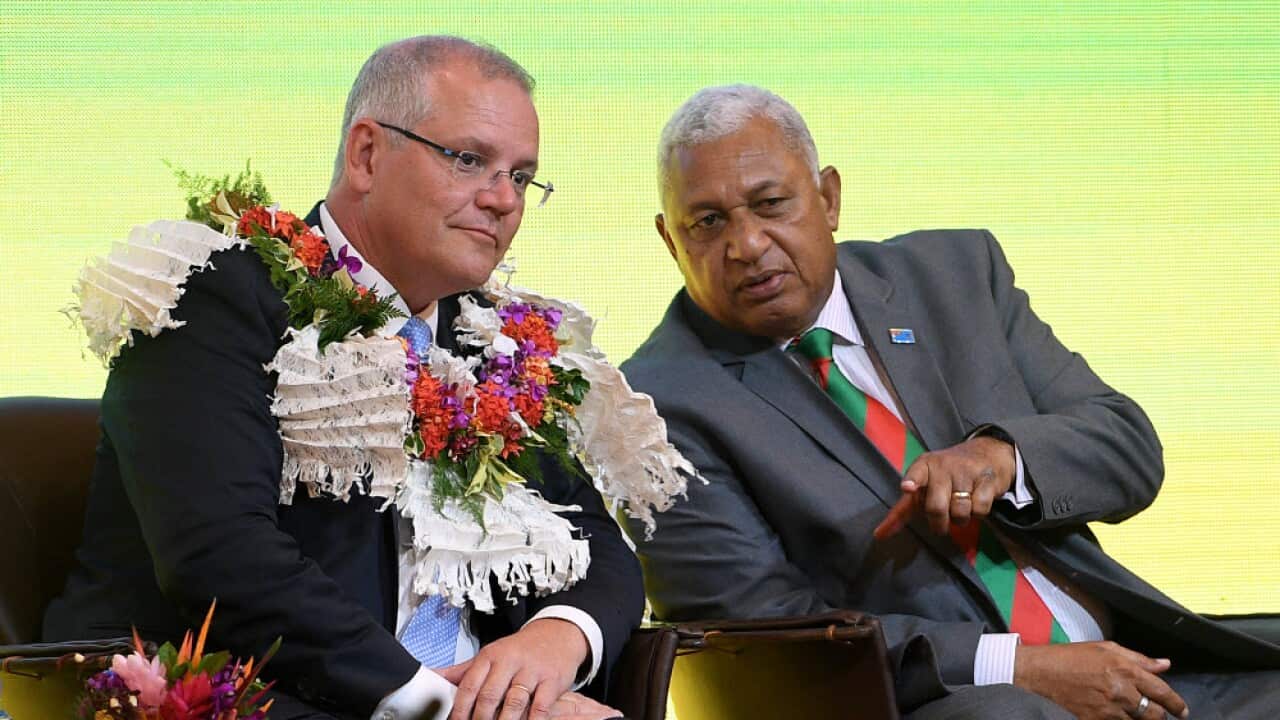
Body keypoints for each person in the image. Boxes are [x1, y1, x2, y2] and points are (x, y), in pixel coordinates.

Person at [620, 84, 1280, 720]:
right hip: (945, 701)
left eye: (770, 204)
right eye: (707, 222)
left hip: (1136, 668)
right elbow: (762, 631)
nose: (746, 245)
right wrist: (1015, 667)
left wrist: (1003, 460)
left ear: (828, 198)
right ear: (670, 241)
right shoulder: (654, 407)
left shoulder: (954, 274)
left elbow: (1128, 450)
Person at [45, 36, 640, 720]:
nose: (504, 199)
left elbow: (598, 544)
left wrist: (554, 642)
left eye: (523, 176)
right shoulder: (212, 298)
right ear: (367, 155)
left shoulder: (495, 344)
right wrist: (442, 706)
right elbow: (222, 560)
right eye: (469, 159)